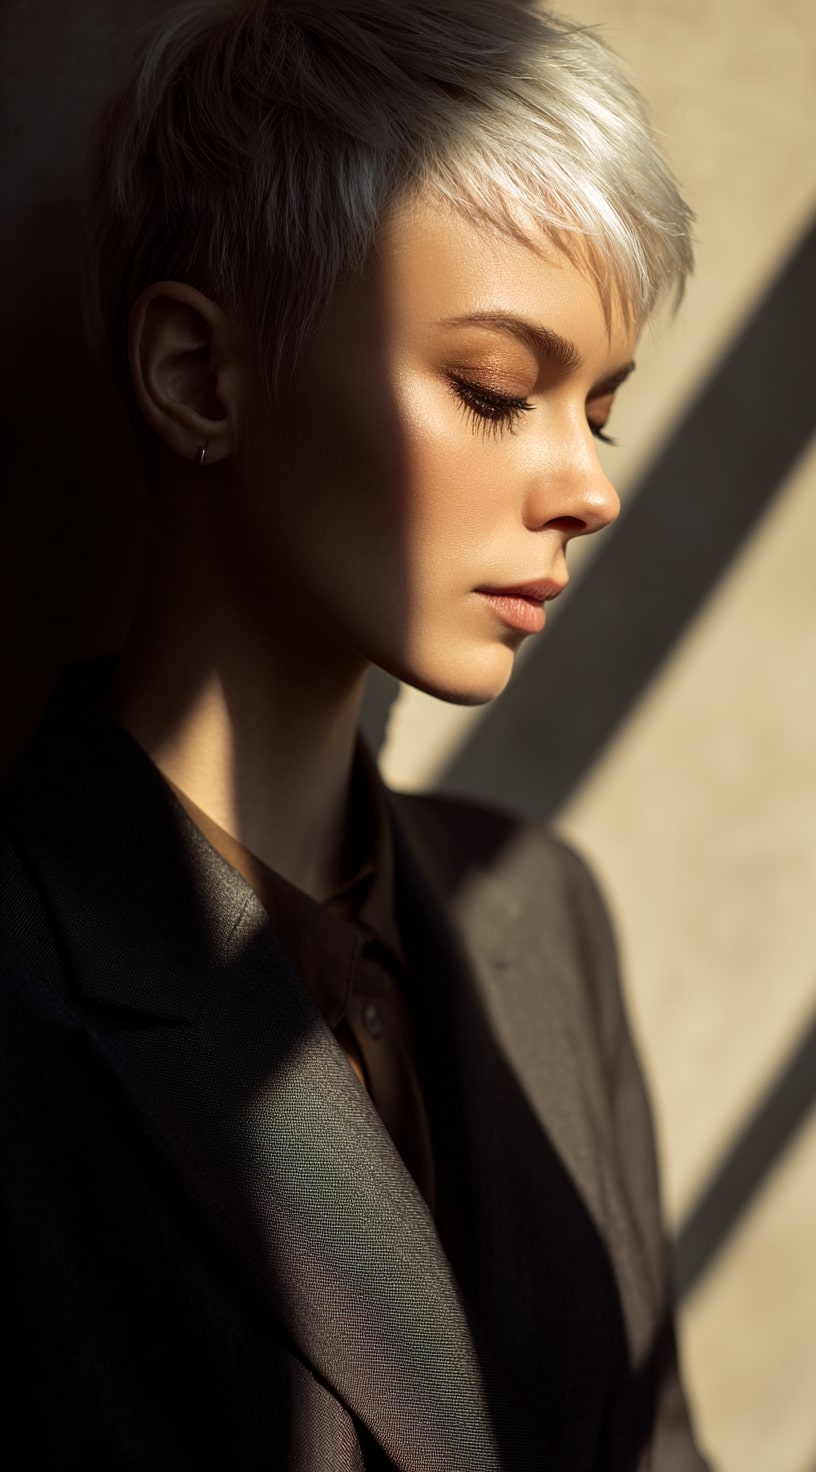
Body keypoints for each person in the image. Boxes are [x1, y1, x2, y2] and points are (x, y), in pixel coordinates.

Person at [1, 1, 709, 1467]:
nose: (588, 487)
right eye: (498, 390)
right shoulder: (20, 979)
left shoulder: (541, 917)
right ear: (199, 375)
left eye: (604, 411)